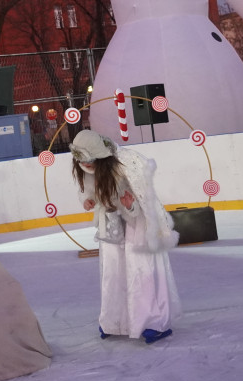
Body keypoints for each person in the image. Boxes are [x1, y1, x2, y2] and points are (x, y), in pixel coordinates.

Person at [69, 130, 181, 344]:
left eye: (91, 160)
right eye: (82, 161)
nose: (87, 165)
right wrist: (87, 199)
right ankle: (115, 321)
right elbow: (87, 189)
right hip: (111, 222)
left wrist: (131, 205)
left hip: (138, 222)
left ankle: (153, 322)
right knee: (113, 270)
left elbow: (146, 198)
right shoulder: (85, 165)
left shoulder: (128, 162)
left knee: (141, 270)